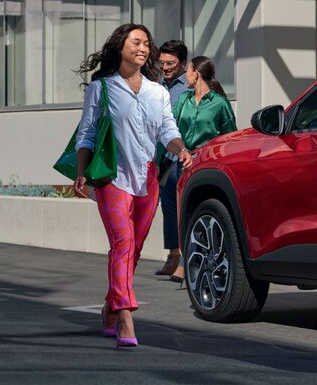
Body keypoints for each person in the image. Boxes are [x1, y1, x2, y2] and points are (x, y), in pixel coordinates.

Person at [73, 24, 192, 348]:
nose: (143, 48)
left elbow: (168, 130)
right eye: (136, 41)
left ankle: (110, 305)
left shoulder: (158, 92)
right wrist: (81, 172)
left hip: (147, 178)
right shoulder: (101, 88)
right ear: (120, 46)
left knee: (134, 249)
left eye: (146, 43)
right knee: (123, 243)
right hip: (112, 178)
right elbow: (87, 133)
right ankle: (125, 314)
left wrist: (181, 150)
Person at [164, 56, 237, 282]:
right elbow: (170, 128)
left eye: (187, 71)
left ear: (196, 74)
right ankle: (185, 261)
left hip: (207, 164)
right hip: (183, 162)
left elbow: (230, 137)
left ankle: (204, 261)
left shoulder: (220, 103)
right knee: (181, 212)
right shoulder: (183, 100)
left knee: (202, 212)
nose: (185, 75)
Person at [154, 39, 189, 278]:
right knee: (168, 208)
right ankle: (173, 255)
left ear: (183, 63)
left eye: (171, 63)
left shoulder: (190, 86)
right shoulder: (158, 87)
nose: (165, 68)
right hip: (165, 157)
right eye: (162, 63)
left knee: (183, 208)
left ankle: (186, 261)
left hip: (185, 155)